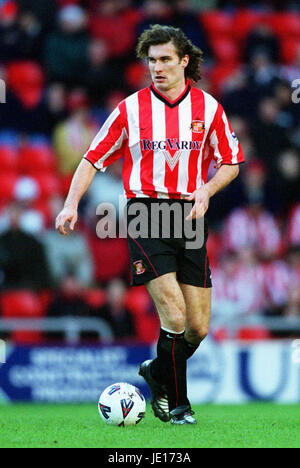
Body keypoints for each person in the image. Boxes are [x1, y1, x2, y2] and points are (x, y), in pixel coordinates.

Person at [56, 24, 244, 425]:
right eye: (151, 61)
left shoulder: (208, 108)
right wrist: (71, 204)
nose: (156, 68)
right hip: (147, 214)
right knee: (173, 318)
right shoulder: (130, 109)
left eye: (164, 60)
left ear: (183, 61)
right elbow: (91, 158)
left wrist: (207, 189)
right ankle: (180, 408)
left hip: (190, 217)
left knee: (198, 327)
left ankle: (157, 370)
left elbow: (230, 161)